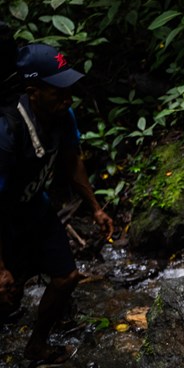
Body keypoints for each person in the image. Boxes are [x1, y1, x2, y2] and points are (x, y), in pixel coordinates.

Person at [0, 43, 114, 365]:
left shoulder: (63, 115)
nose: (68, 98)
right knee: (6, 295)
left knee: (66, 277)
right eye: (58, 91)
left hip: (36, 208)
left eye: (70, 89)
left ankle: (36, 346)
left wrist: (95, 207)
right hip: (4, 218)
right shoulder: (7, 130)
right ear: (33, 92)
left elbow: (71, 160)